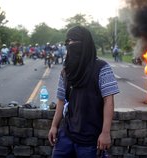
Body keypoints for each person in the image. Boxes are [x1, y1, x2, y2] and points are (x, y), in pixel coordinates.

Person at [48, 26, 119, 158]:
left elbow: (109, 101)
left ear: (85, 43)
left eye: (74, 40)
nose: (70, 44)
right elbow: (61, 100)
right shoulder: (66, 70)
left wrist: (105, 133)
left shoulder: (102, 68)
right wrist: (54, 126)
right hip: (66, 134)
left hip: (91, 139)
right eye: (68, 41)